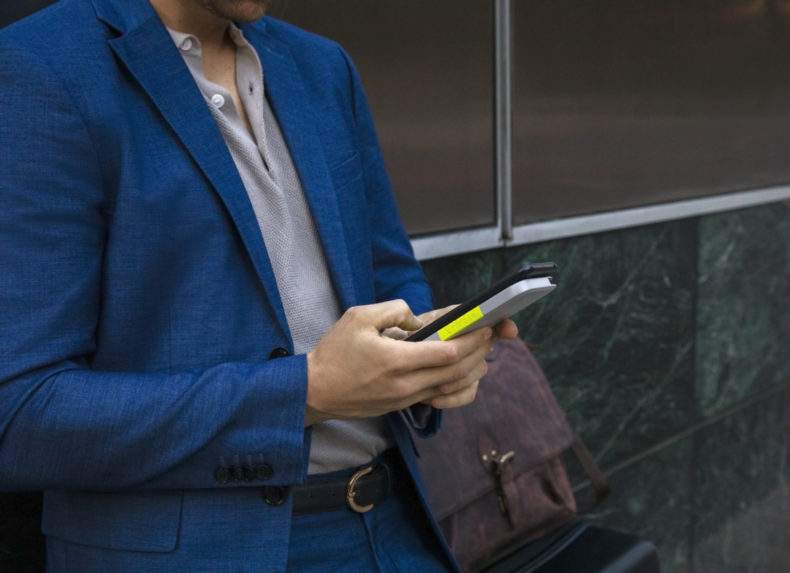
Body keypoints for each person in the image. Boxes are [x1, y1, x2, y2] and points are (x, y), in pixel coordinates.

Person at [0, 0, 517, 570]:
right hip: (193, 555)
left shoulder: (323, 66)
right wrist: (306, 392)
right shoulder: (40, 67)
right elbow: (19, 413)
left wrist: (426, 356)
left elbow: (387, 271)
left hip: (393, 528)